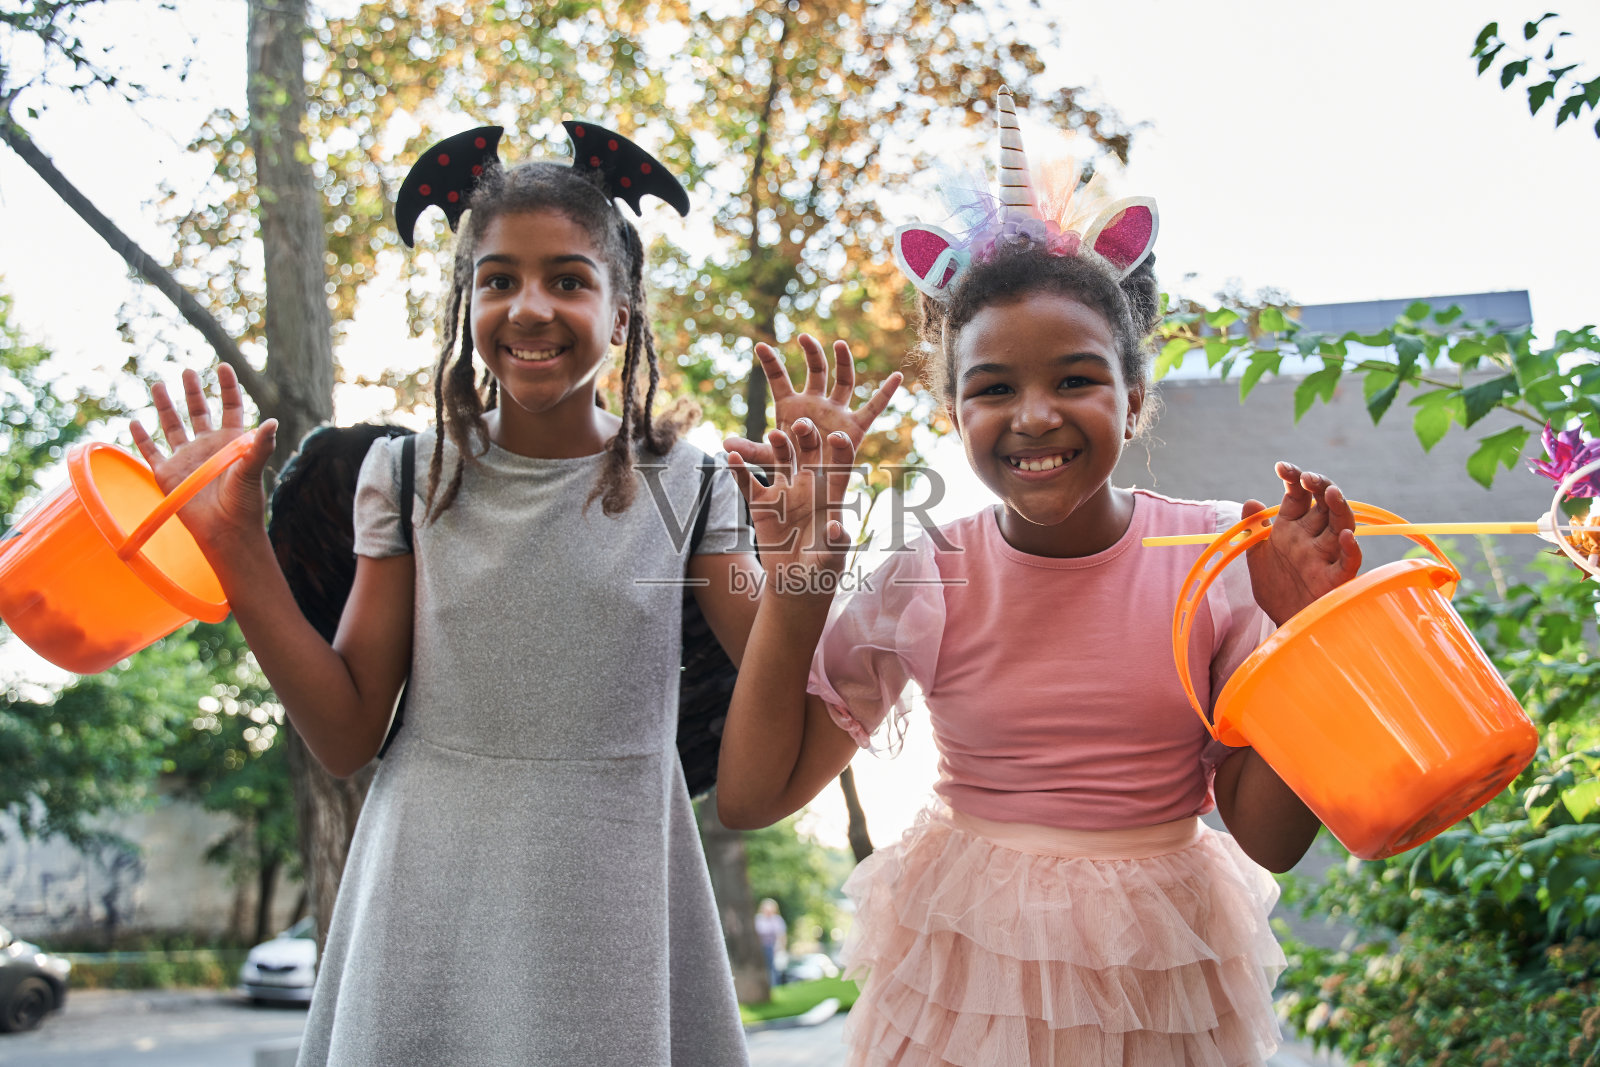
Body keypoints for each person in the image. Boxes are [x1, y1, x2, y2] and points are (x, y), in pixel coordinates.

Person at [130, 122, 898, 1067]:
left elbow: (776, 689)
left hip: (616, 889)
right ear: (466, 300)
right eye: (498, 279)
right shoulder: (405, 476)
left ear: (623, 312)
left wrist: (809, 567)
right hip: (429, 885)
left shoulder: (689, 482)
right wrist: (236, 546)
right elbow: (345, 732)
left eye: (569, 279)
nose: (530, 306)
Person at [715, 90, 1362, 1066]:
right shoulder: (928, 572)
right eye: (992, 388)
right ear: (952, 412)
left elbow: (1271, 837)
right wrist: (801, 582)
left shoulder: (1224, 560)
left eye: (1074, 379)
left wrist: (1304, 632)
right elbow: (752, 794)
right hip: (965, 973)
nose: (1033, 415)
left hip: (1158, 974)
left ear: (1133, 399)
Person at [754, 898, 788, 989]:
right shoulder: (758, 919)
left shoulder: (777, 920)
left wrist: (781, 948)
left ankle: (774, 986)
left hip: (773, 947)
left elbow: (782, 935)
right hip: (761, 947)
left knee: (773, 969)